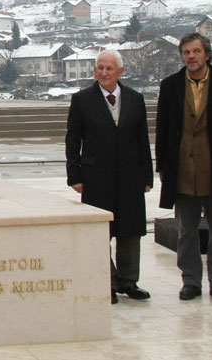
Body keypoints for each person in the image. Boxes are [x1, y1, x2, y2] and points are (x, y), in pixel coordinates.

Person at [156, 33, 212, 302]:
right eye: (186, 52)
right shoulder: (170, 86)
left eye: (195, 51)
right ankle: (191, 280)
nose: (191, 57)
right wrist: (163, 166)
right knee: (186, 229)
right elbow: (162, 129)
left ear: (206, 54)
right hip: (182, 169)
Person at [65, 50, 153, 305]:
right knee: (101, 232)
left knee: (130, 230)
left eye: (109, 69)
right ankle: (108, 282)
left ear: (120, 72)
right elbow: (73, 141)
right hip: (96, 177)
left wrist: (146, 175)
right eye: (100, 68)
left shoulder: (135, 100)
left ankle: (129, 281)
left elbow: (142, 140)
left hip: (129, 177)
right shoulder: (82, 100)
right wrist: (75, 176)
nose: (103, 73)